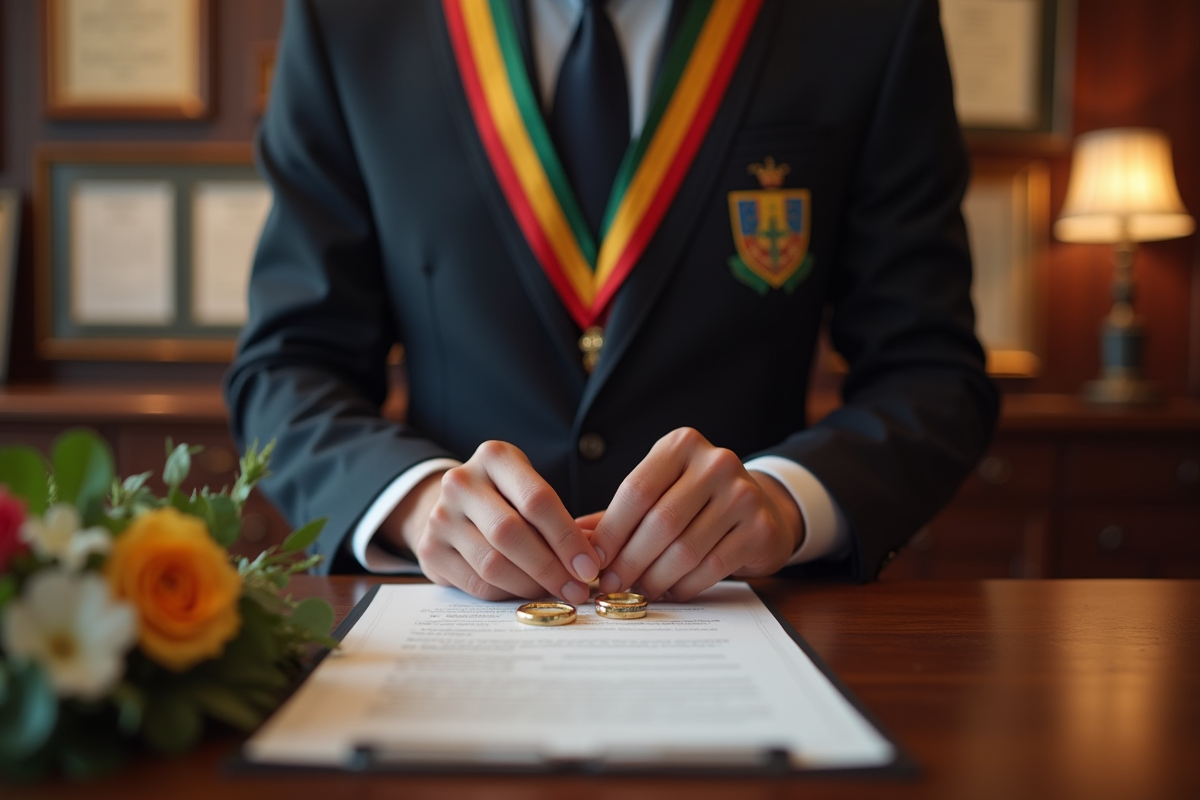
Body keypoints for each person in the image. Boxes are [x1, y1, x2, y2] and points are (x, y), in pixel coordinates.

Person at [226, 0, 998, 605]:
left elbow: (931, 372)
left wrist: (788, 503)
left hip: (745, 620)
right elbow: (289, 365)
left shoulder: (870, 18)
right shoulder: (348, 19)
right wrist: (411, 502)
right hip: (454, 621)